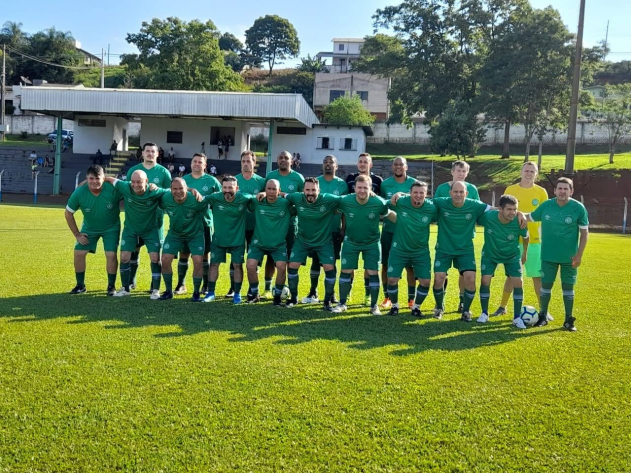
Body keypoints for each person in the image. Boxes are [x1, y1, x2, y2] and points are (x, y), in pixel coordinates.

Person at [525, 177, 589, 332]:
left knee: (568, 288)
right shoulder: (546, 206)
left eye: (566, 189)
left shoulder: (578, 208)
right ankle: (542, 316)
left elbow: (585, 233)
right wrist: (514, 212)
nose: (562, 191)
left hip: (570, 258)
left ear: (571, 191)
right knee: (545, 287)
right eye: (560, 188)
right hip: (548, 256)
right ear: (554, 191)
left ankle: (568, 320)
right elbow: (530, 217)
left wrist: (579, 255)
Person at [492, 162, 550, 320]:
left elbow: (545, 213)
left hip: (535, 240)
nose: (529, 173)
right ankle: (502, 307)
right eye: (526, 170)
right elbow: (502, 213)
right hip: (512, 239)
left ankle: (543, 310)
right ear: (521, 171)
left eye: (532, 171)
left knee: (537, 276)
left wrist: (523, 214)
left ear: (536, 174)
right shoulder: (510, 190)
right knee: (512, 276)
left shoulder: (541, 192)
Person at [333, 175, 394, 315]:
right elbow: (331, 205)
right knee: (346, 271)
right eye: (359, 187)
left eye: (365, 188)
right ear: (354, 188)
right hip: (351, 241)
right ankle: (342, 303)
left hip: (372, 242)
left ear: (371, 188)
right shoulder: (345, 201)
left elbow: (389, 213)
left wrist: (406, 222)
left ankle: (374, 306)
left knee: (373, 272)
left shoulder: (378, 202)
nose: (362, 190)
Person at [103, 171, 169, 299]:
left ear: (146, 181)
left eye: (139, 181)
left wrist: (191, 189)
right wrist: (85, 182)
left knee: (155, 258)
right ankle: (125, 288)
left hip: (151, 230)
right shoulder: (125, 186)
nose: (135, 185)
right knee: (124, 257)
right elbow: (110, 180)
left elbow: (173, 191)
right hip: (130, 230)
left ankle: (156, 290)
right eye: (133, 181)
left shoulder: (155, 191)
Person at [283, 177, 341, 311]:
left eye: (313, 190)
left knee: (329, 267)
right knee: (292, 265)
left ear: (319, 191)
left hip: (323, 242)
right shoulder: (297, 197)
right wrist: (263, 194)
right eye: (307, 190)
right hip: (302, 241)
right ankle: (293, 298)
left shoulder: (328, 199)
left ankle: (327, 301)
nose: (310, 193)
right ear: (303, 190)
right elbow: (282, 194)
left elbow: (347, 199)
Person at [64, 165, 122, 296]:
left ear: (104, 178)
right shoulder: (79, 192)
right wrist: (77, 234)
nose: (94, 181)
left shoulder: (113, 189)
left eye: (98, 178)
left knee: (111, 255)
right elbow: (68, 213)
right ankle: (80, 285)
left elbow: (130, 192)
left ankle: (111, 286)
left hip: (111, 228)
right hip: (89, 229)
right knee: (79, 253)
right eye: (91, 178)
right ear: (86, 178)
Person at [433, 160, 480, 314]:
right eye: (458, 170)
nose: (461, 173)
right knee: (441, 275)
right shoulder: (441, 189)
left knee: (464, 273)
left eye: (464, 171)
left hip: (465, 238)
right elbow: (434, 208)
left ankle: (462, 302)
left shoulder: (472, 189)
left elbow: (479, 209)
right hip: (446, 238)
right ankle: (440, 303)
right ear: (452, 172)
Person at [475, 195, 530, 328]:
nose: (512, 213)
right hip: (490, 254)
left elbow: (526, 237)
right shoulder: (489, 217)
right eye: (509, 209)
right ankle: (484, 313)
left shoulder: (519, 221)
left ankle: (517, 317)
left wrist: (524, 253)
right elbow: (475, 215)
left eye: (515, 209)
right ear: (500, 209)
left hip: (511, 255)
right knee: (485, 280)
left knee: (518, 282)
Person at [385, 181, 438, 316]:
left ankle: (416, 307)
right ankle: (395, 306)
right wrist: (398, 194)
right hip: (399, 249)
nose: (418, 195)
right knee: (391, 280)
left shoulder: (432, 208)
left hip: (420, 251)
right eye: (415, 192)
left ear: (426, 194)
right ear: (410, 193)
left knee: (425, 282)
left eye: (422, 193)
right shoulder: (401, 202)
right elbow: (383, 204)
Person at [126, 143, 172, 290]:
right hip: (136, 219)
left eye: (153, 151)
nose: (150, 154)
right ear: (143, 153)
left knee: (155, 254)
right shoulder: (133, 170)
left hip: (155, 221)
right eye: (147, 151)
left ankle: (155, 284)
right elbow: (128, 191)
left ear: (158, 154)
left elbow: (170, 193)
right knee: (134, 250)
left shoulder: (164, 173)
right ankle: (132, 280)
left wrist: (158, 188)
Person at [203, 176, 254, 304]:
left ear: (237, 188)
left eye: (230, 188)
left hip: (237, 240)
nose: (227, 190)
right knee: (214, 264)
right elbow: (199, 199)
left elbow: (256, 200)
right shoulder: (215, 197)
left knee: (237, 265)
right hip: (219, 239)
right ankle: (211, 293)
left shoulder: (244, 198)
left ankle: (237, 294)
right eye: (224, 187)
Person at [305, 155, 349, 304]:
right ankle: (313, 291)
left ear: (336, 166)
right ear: (322, 166)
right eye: (326, 162)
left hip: (333, 230)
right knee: (316, 261)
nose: (328, 164)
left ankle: (331, 293)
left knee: (331, 263)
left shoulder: (342, 185)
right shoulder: (315, 182)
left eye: (331, 162)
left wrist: (343, 228)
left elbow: (344, 209)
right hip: (317, 230)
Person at [175, 153, 221, 295]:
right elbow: (174, 192)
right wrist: (189, 190)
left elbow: (219, 199)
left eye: (200, 162)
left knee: (204, 255)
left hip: (204, 224)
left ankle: (206, 285)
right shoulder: (184, 180)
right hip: (186, 223)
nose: (196, 164)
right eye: (194, 161)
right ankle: (181, 284)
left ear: (205, 165)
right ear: (191, 163)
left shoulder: (212, 181)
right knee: (184, 253)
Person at [262, 151, 305, 298]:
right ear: (276, 160)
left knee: (288, 257)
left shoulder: (298, 178)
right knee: (270, 256)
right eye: (280, 158)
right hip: (272, 224)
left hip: (291, 224)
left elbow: (303, 199)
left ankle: (284, 285)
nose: (283, 160)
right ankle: (267, 288)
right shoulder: (270, 176)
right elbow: (264, 195)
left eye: (286, 158)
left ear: (291, 161)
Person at [158, 178, 209, 301]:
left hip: (195, 235)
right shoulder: (165, 198)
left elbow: (208, 209)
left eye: (181, 188)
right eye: (175, 189)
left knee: (198, 260)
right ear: (170, 190)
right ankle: (168, 291)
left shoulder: (196, 200)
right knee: (165, 259)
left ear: (186, 189)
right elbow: (155, 193)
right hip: (175, 234)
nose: (178, 191)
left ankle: (196, 292)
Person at [345, 152, 384, 306]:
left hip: (370, 229)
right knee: (349, 265)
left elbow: (381, 204)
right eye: (360, 161)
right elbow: (345, 203)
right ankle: (347, 293)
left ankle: (368, 295)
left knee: (371, 267)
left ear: (370, 164)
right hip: (352, 226)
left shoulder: (378, 180)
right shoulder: (349, 178)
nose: (362, 164)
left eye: (365, 162)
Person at [246, 179, 293, 305]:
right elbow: (246, 198)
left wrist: (284, 194)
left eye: (274, 189)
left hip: (278, 244)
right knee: (250, 265)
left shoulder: (286, 203)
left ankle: (277, 296)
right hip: (258, 242)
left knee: (282, 267)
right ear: (265, 189)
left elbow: (299, 199)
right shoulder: (257, 201)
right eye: (269, 189)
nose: (271, 192)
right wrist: (258, 195)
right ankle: (255, 293)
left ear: (279, 191)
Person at [380, 156, 418, 310]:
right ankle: (387, 297)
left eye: (401, 164)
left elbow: (418, 200)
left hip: (407, 232)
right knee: (385, 265)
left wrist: (402, 195)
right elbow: (382, 206)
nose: (398, 167)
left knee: (410, 267)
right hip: (389, 230)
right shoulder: (385, 184)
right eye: (395, 164)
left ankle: (411, 299)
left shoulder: (413, 183)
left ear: (406, 167)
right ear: (392, 167)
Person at [234, 150, 266, 298]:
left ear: (254, 163)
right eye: (243, 161)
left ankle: (252, 288)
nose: (246, 164)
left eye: (249, 161)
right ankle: (233, 288)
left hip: (256, 227)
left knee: (254, 260)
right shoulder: (234, 181)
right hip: (237, 226)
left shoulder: (261, 182)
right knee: (237, 259)